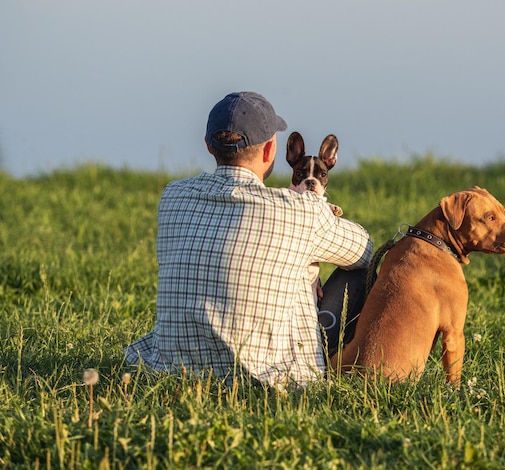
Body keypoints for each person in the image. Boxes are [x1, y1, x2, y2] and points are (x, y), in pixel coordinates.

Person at [125, 91, 372, 387]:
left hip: (171, 368)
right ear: (270, 152)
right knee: (359, 274)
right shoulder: (302, 211)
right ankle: (349, 366)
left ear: (208, 145)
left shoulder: (173, 196)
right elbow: (365, 251)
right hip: (270, 377)